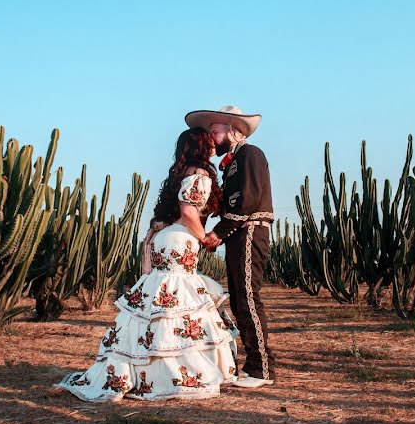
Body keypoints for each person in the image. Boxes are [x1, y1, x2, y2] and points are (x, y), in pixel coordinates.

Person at [55, 127, 238, 401]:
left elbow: (173, 210)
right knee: (176, 299)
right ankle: (170, 370)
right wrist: (205, 238)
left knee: (161, 298)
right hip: (181, 238)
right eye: (208, 141)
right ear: (200, 146)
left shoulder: (181, 173)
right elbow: (188, 211)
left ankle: (145, 365)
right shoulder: (199, 175)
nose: (213, 145)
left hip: (165, 238)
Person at [186, 106, 276, 388]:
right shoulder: (234, 161)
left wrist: (217, 233)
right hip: (240, 232)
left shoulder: (251, 154)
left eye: (215, 130)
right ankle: (253, 366)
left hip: (250, 231)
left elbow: (247, 200)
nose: (212, 136)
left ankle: (262, 369)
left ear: (233, 130)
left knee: (248, 296)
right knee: (239, 298)